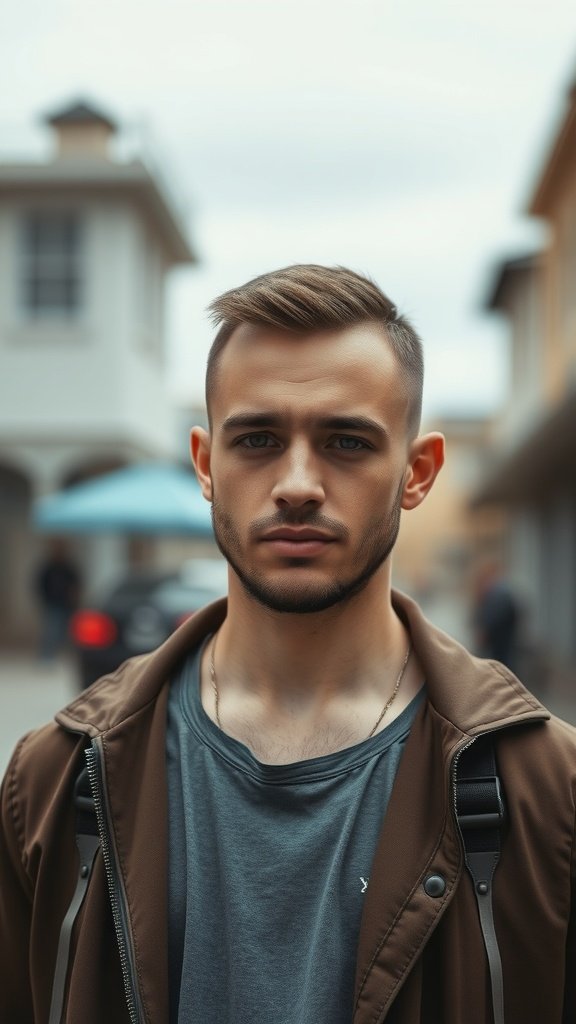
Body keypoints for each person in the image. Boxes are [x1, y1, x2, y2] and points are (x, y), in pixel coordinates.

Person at [1, 265, 574, 1024]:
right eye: (259, 439)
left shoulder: (544, 790)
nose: (298, 482)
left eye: (345, 441)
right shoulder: (56, 777)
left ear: (418, 471)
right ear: (206, 464)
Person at [34, 538, 82, 659]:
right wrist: (44, 599)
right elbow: (40, 584)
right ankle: (47, 656)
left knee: (68, 632)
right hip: (52, 604)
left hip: (66, 604)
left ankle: (68, 656)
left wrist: (74, 598)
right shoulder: (48, 567)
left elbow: (76, 583)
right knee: (51, 631)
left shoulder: (68, 567)